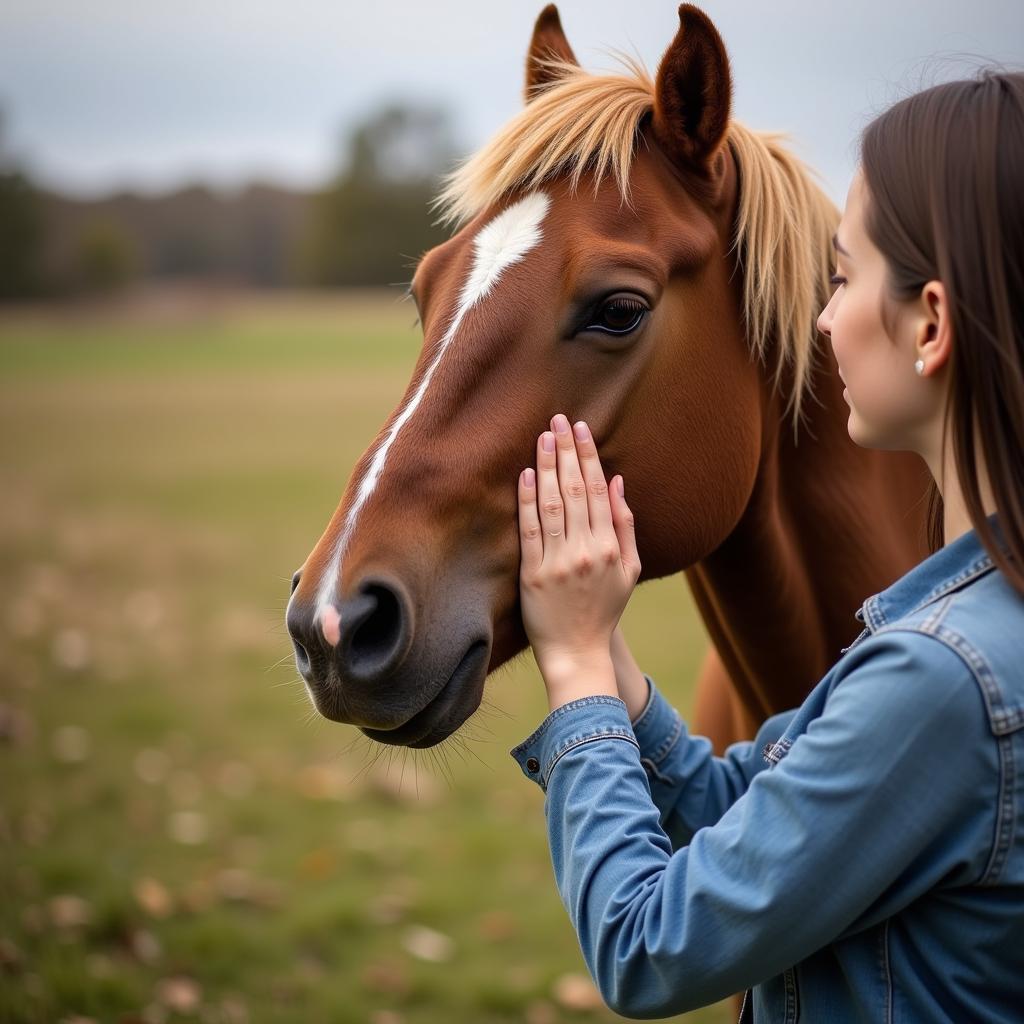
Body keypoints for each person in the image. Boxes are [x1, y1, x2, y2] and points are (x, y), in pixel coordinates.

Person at [512, 70, 1024, 1022]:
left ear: (933, 322)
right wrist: (616, 668)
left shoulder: (944, 681)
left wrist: (576, 671)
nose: (822, 320)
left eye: (840, 276)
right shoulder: (979, 623)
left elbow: (647, 947)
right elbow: (762, 812)